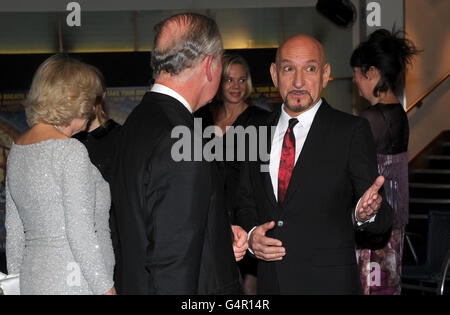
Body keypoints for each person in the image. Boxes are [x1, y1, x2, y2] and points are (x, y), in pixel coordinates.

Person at [234, 34, 393, 294]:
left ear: (325, 73)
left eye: (310, 68)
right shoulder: (255, 130)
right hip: (272, 283)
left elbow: (381, 213)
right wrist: (252, 237)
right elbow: (245, 202)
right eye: (288, 69)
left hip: (328, 285)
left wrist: (367, 213)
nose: (298, 81)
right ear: (275, 74)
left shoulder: (350, 131)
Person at [110, 13, 247, 295]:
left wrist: (217, 237)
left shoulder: (136, 123)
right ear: (210, 65)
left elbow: (149, 225)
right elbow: (171, 263)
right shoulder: (182, 139)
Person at [5, 54, 115, 295]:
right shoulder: (70, 151)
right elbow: (80, 233)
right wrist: (107, 290)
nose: (93, 107)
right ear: (73, 100)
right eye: (89, 98)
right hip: (75, 282)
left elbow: (13, 232)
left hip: (33, 282)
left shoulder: (18, 148)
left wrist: (15, 285)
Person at [351, 29, 419, 295]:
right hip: (394, 222)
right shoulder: (399, 114)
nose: (355, 80)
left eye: (357, 72)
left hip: (374, 219)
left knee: (370, 286)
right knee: (388, 286)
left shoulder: (371, 118)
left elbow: (360, 173)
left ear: (371, 72)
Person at [195, 53, 262, 295]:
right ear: (219, 82)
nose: (236, 86)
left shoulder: (262, 120)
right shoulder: (202, 118)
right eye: (230, 80)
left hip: (247, 209)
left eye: (242, 80)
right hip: (212, 209)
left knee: (249, 284)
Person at [72, 66, 121, 183]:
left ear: (103, 95)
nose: (83, 100)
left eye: (88, 93)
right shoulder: (67, 138)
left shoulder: (120, 138)